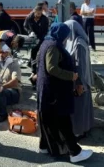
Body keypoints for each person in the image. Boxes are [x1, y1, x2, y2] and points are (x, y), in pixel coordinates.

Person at [37, 22, 93, 163]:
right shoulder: (54, 46)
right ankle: (75, 152)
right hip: (55, 91)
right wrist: (71, 76)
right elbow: (52, 68)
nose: (66, 39)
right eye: (64, 36)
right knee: (64, 121)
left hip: (46, 88)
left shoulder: (46, 42)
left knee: (47, 119)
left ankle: (45, 146)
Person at [64, 20, 94, 138]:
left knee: (79, 108)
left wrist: (79, 83)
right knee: (83, 107)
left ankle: (78, 132)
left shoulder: (78, 44)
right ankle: (84, 128)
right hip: (81, 80)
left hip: (80, 81)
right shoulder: (78, 41)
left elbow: (79, 65)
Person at [24, 5, 49, 88]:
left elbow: (45, 31)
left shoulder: (44, 19)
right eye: (37, 13)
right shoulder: (29, 17)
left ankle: (37, 76)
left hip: (41, 39)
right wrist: (30, 32)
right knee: (33, 56)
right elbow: (25, 26)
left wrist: (40, 38)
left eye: (40, 13)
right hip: (33, 39)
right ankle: (33, 72)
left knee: (41, 58)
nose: (38, 15)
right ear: (34, 12)